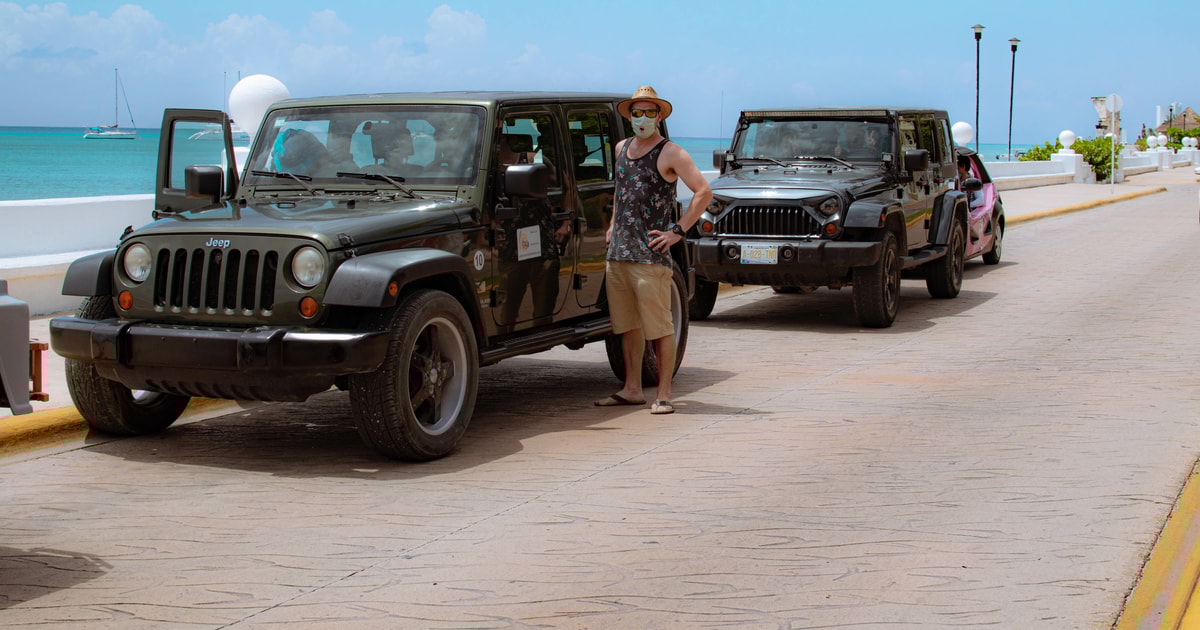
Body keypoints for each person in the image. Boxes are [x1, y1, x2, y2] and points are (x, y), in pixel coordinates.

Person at [594, 86, 712, 415]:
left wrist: (678, 231)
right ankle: (631, 389)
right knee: (626, 326)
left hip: (651, 257)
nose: (642, 118)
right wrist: (613, 225)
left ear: (659, 116)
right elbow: (622, 190)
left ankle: (663, 394)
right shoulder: (620, 148)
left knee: (659, 327)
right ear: (629, 116)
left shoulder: (671, 152)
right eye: (637, 112)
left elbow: (703, 192)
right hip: (618, 255)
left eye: (649, 112)